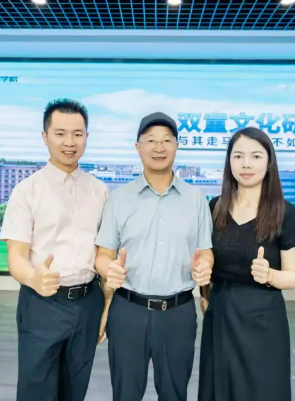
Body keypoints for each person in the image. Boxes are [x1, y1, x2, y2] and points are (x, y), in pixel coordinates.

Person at [94, 111, 214, 401]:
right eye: (150, 140)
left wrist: (204, 268)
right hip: (128, 311)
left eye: (166, 140)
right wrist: (109, 270)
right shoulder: (119, 198)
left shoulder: (196, 199)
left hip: (178, 313)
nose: (159, 147)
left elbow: (206, 253)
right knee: (125, 393)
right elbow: (103, 255)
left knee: (174, 393)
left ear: (176, 146)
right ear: (138, 147)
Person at [0, 98, 109, 401]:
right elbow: (16, 257)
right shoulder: (27, 191)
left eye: (77, 134)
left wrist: (106, 303)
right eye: (60, 133)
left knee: (75, 389)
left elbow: (104, 253)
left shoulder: (100, 191)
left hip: (88, 302)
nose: (69, 142)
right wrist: (33, 278)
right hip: (42, 302)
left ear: (87, 137)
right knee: (37, 390)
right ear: (45, 137)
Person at [198, 127, 295, 401]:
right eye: (238, 156)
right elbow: (206, 261)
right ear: (229, 162)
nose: (246, 164)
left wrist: (269, 275)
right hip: (221, 315)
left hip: (263, 318)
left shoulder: (284, 212)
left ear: (268, 163)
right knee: (219, 389)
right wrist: (204, 291)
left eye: (256, 156)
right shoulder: (215, 207)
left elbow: (293, 277)